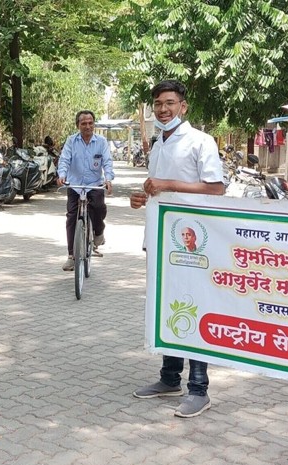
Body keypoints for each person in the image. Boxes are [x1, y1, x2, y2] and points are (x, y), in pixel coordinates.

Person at [130, 80, 225, 418]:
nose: (163, 109)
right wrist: (142, 197)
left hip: (193, 242)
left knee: (194, 307)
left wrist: (167, 185)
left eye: (169, 103)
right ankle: (169, 378)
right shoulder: (158, 143)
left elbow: (216, 188)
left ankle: (199, 389)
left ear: (183, 106)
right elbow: (159, 190)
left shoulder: (201, 141)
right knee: (168, 307)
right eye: (158, 103)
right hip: (160, 238)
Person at [56, 110, 114, 271]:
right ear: (78, 125)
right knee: (71, 216)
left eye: (90, 123)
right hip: (75, 185)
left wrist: (108, 179)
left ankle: (98, 233)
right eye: (84, 123)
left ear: (94, 124)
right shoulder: (71, 141)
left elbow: (107, 162)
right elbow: (64, 159)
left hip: (94, 184)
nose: (87, 126)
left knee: (99, 207)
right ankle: (71, 256)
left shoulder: (101, 142)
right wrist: (62, 175)